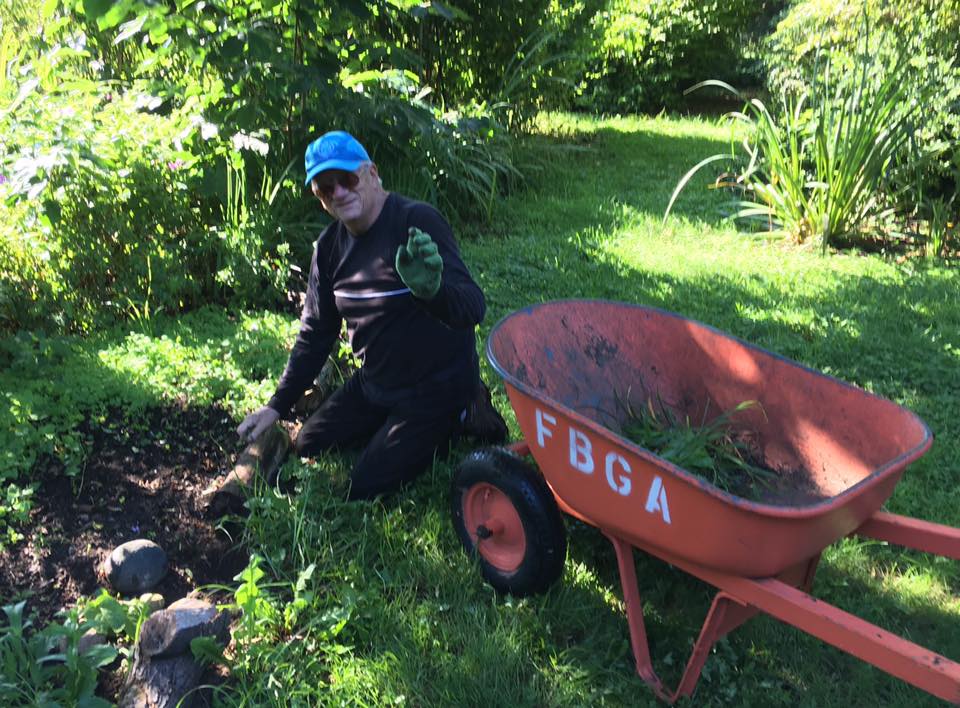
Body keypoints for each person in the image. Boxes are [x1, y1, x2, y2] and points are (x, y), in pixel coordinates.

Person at [237, 130, 506, 500]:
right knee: (310, 443)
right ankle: (391, 423)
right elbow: (316, 332)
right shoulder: (329, 248)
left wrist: (433, 293)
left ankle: (462, 412)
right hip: (375, 383)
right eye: (325, 188)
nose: (339, 193)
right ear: (320, 199)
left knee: (363, 485)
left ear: (373, 174)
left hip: (434, 386)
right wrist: (277, 406)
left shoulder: (417, 222)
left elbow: (472, 307)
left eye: (346, 179)